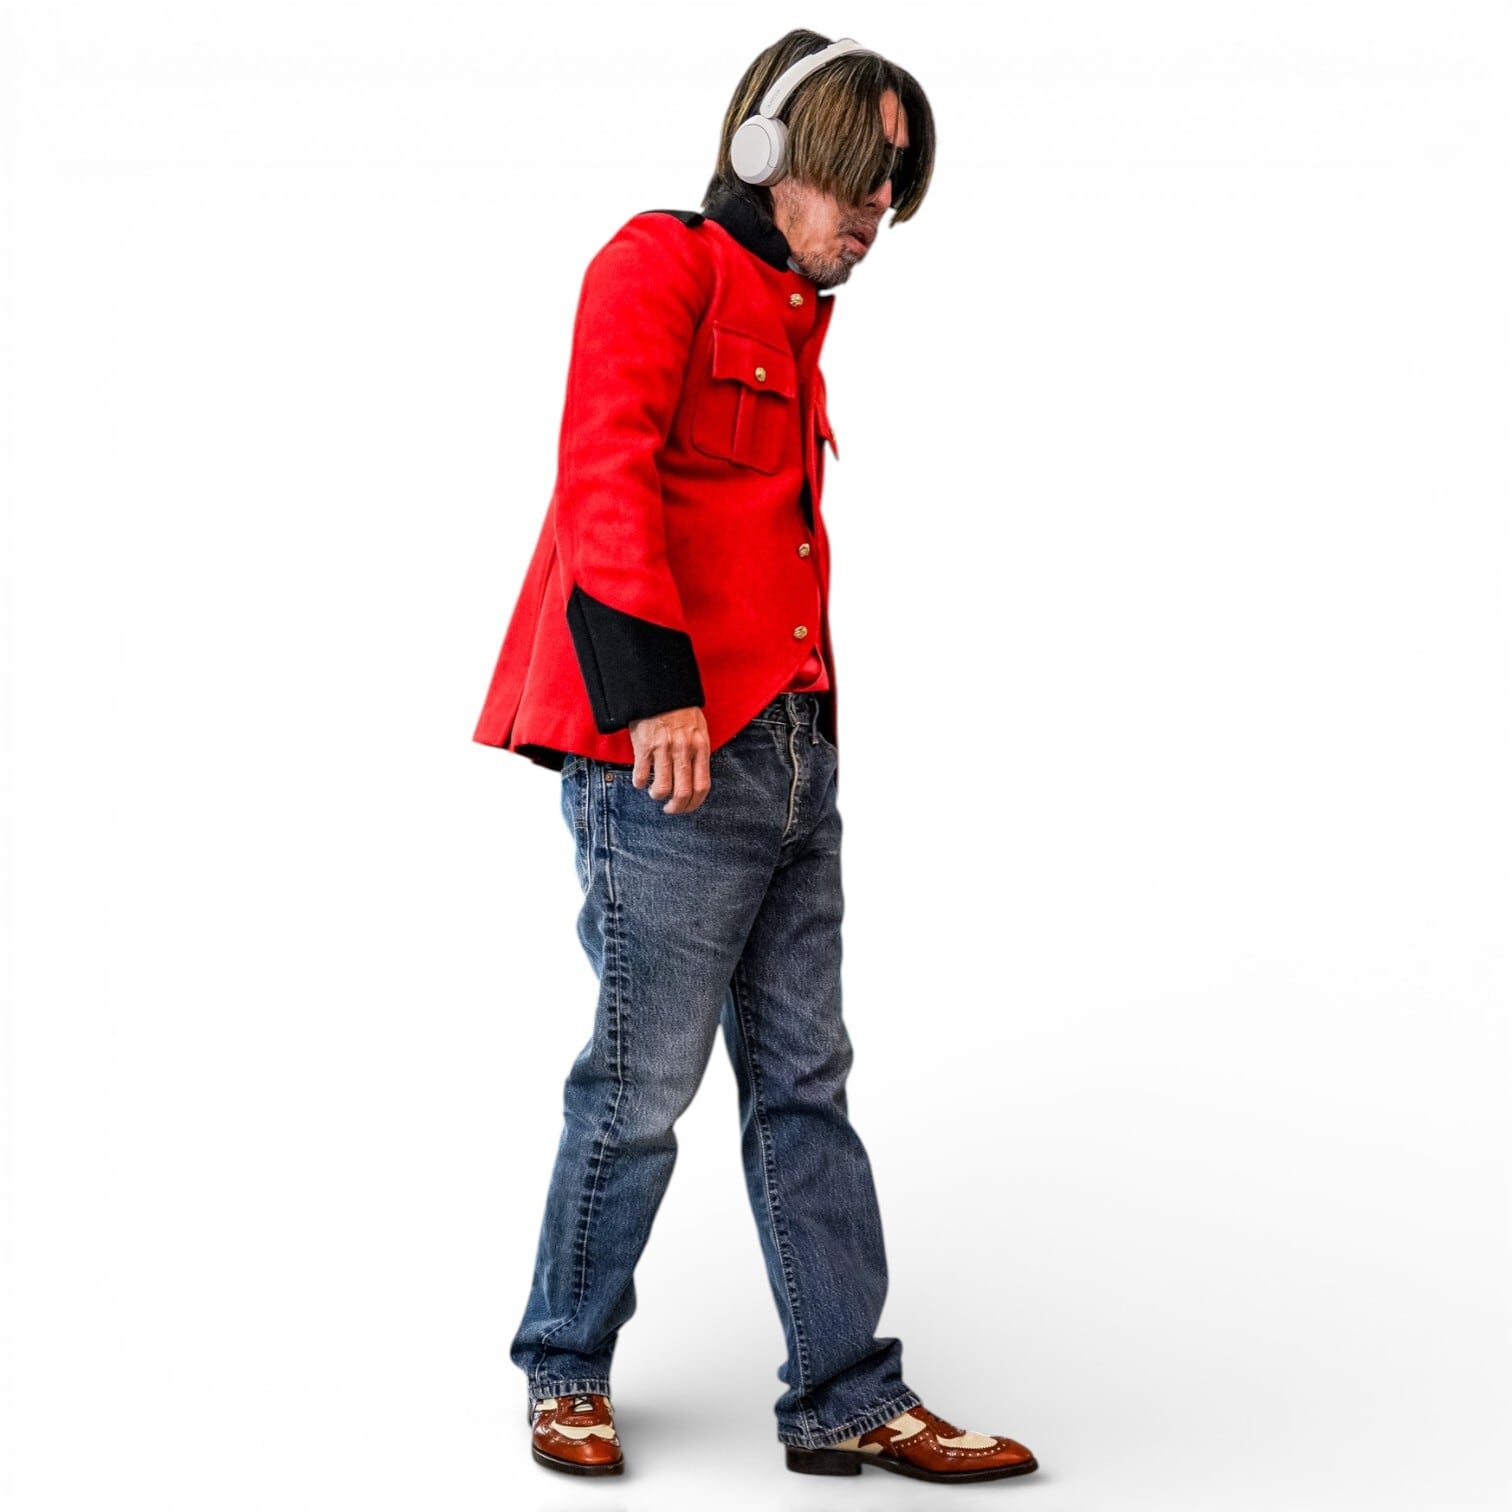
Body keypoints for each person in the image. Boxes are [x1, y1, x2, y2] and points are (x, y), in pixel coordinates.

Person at [471, 30, 1039, 1486]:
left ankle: (844, 1394)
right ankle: (564, 1367)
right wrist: (655, 695)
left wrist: (811, 734)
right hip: (670, 759)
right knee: (638, 1088)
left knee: (805, 1083)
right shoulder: (656, 265)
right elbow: (602, 474)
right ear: (768, 153)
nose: (877, 212)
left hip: (790, 751)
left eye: (894, 187)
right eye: (858, 176)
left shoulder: (796, 314)